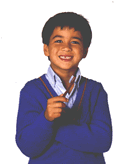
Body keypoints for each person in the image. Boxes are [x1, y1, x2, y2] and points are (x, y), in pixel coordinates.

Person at [16, 12, 112, 164]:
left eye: (74, 42)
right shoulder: (31, 91)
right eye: (58, 40)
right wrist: (46, 118)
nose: (66, 47)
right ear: (46, 49)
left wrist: (54, 126)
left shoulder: (95, 91)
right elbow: (28, 146)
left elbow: (103, 140)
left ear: (85, 51)